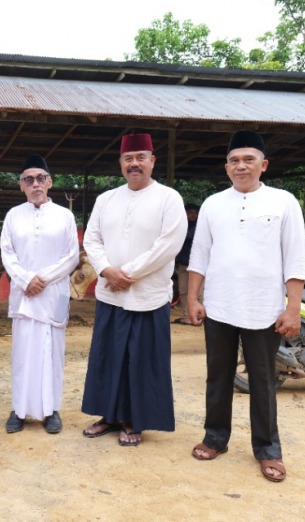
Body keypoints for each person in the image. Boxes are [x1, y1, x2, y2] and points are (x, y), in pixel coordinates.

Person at [188, 131, 305, 483]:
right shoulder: (212, 204)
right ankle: (215, 438)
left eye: (248, 160)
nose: (241, 166)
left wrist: (293, 308)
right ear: (226, 167)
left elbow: (295, 257)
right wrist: (193, 298)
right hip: (219, 306)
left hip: (264, 308)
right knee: (218, 376)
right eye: (234, 161)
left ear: (263, 165)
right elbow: (200, 255)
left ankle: (268, 449)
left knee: (263, 380)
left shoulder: (283, 201)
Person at [81, 133, 187, 447]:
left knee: (141, 360)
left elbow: (168, 245)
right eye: (128, 158)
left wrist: (127, 274)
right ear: (121, 163)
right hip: (110, 293)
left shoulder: (168, 198)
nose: (134, 164)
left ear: (152, 161)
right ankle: (109, 415)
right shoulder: (106, 199)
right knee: (108, 357)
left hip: (148, 295)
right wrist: (106, 270)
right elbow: (92, 239)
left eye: (141, 157)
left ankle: (133, 420)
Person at [1, 154, 79, 434]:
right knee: (23, 355)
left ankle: (51, 410)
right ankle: (19, 410)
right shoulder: (13, 216)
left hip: (52, 294)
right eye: (29, 179)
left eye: (40, 178)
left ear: (50, 182)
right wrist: (25, 280)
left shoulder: (65, 216)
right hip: (24, 296)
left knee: (52, 355)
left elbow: (71, 256)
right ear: (21, 185)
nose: (35, 184)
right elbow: (7, 253)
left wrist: (42, 279)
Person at [173, 203, 201, 325]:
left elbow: (188, 236)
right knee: (183, 290)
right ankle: (187, 315)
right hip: (183, 263)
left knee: (197, 292)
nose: (193, 215)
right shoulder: (181, 225)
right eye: (190, 212)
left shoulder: (200, 227)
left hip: (197, 265)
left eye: (195, 213)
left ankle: (198, 317)